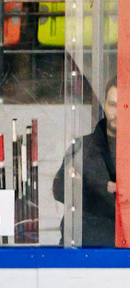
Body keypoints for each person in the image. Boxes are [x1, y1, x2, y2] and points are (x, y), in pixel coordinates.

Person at [53, 82, 118, 247]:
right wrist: (76, 185)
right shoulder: (81, 146)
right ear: (104, 104)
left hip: (122, 252)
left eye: (123, 106)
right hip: (82, 248)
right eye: (112, 105)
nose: (117, 113)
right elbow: (58, 190)